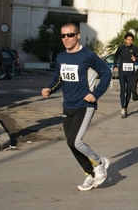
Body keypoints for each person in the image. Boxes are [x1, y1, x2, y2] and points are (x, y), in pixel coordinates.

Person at [41, 23, 112, 191]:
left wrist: (95, 94)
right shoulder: (60, 57)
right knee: (71, 143)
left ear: (78, 36)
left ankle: (100, 162)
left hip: (84, 105)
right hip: (68, 105)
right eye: (63, 36)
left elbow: (106, 73)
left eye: (70, 35)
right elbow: (58, 78)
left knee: (77, 141)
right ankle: (90, 174)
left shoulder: (88, 56)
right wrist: (50, 89)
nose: (66, 38)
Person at [113, 32, 138, 118]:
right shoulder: (121, 48)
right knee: (123, 90)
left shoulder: (135, 48)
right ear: (125, 40)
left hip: (131, 73)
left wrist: (135, 59)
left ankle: (126, 107)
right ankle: (122, 108)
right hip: (122, 72)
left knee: (129, 91)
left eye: (131, 40)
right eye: (128, 40)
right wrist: (115, 65)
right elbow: (115, 56)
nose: (129, 41)